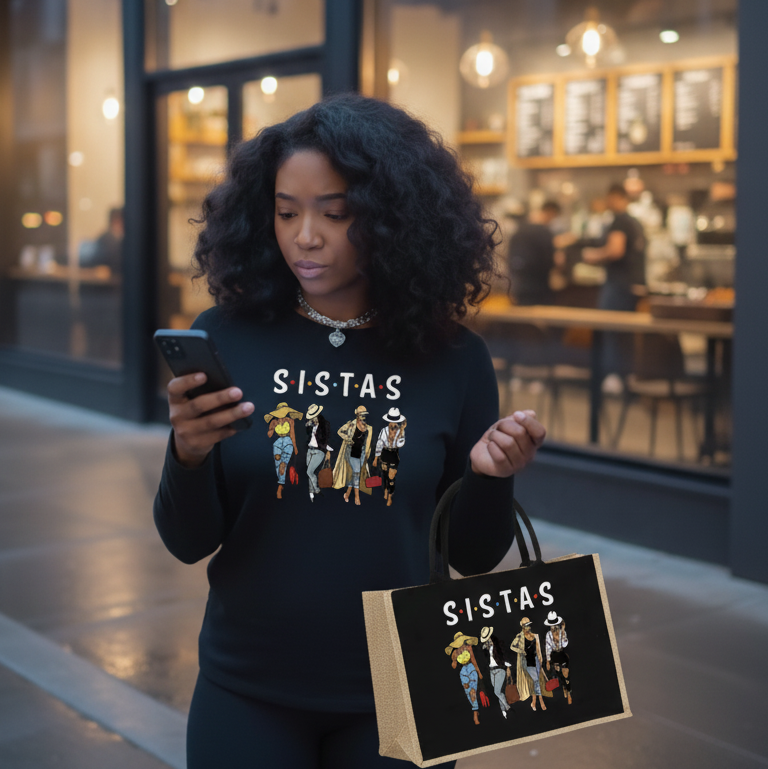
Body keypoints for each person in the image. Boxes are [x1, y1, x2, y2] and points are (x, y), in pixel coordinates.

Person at [153, 93, 546, 769]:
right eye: (286, 212)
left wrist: (490, 479)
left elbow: (475, 557)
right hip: (248, 682)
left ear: (395, 218)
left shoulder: (453, 358)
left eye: (335, 213)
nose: (306, 236)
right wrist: (187, 452)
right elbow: (187, 541)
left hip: (406, 684)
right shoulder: (225, 336)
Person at [582, 183, 647, 391]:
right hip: (634, 284)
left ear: (615, 197)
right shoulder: (636, 222)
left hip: (618, 284)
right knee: (625, 333)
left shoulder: (619, 221)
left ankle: (614, 377)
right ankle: (626, 376)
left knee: (610, 330)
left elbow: (615, 250)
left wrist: (592, 255)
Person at [507, 200, 564, 306]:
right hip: (539, 286)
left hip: (518, 284)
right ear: (551, 212)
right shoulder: (544, 232)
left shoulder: (520, 229)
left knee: (522, 312)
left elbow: (511, 257)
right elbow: (553, 261)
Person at [334, 405, 374, 504]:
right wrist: (348, 439)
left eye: (364, 414)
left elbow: (368, 443)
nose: (363, 416)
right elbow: (339, 431)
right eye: (361, 414)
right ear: (357, 415)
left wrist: (367, 455)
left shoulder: (368, 428)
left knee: (355, 474)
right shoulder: (351, 424)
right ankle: (357, 496)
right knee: (356, 472)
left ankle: (347, 493)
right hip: (352, 451)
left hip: (362, 452)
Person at [445, 632, 484, 726]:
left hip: (471, 668)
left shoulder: (468, 647)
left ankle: (475, 713)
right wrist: (454, 660)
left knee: (473, 691)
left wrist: (479, 672)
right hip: (463, 672)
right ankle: (475, 709)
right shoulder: (455, 652)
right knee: (468, 692)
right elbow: (454, 666)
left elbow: (473, 660)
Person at [510, 616, 547, 712]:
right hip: (527, 661)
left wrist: (541, 661)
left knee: (536, 681)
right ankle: (540, 700)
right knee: (535, 680)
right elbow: (512, 646)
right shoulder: (520, 636)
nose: (528, 627)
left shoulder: (535, 636)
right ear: (523, 627)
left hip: (536, 660)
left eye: (529, 625)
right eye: (526, 625)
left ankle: (533, 701)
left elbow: (538, 650)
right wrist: (521, 651)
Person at [372, 407, 406, 506]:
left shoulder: (400, 431)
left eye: (395, 422)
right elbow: (379, 444)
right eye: (391, 421)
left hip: (393, 454)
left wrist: (399, 435)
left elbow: (400, 444)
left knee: (391, 477)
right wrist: (376, 458)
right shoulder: (384, 431)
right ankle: (386, 490)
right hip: (384, 453)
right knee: (384, 475)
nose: (393, 424)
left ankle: (390, 495)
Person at [479, 626, 513, 719]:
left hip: (500, 669)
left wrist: (508, 667)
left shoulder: (497, 644)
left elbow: (504, 655)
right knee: (498, 692)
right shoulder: (485, 648)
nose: (486, 641)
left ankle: (507, 707)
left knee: (497, 691)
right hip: (491, 670)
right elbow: (486, 660)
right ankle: (503, 711)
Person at [304, 403, 332, 502]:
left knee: (309, 472)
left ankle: (316, 489)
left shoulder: (325, 424)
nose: (312, 418)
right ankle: (311, 493)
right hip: (309, 449)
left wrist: (327, 451)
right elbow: (308, 436)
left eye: (313, 416)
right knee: (310, 473)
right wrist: (309, 426)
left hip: (319, 450)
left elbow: (327, 438)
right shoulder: (310, 424)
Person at [544, 611, 571, 705]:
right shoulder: (548, 635)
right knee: (559, 673)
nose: (553, 627)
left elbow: (565, 644)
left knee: (566, 673)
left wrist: (563, 632)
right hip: (554, 655)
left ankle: (569, 691)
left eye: (554, 625)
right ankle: (564, 687)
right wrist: (548, 661)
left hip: (561, 653)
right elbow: (548, 648)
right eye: (552, 625)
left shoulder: (561, 632)